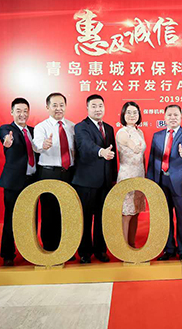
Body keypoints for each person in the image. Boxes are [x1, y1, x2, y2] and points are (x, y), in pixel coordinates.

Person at [72, 94, 117, 263]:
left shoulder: (109, 128)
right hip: (86, 181)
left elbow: (113, 156)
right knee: (85, 218)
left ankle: (100, 250)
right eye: (94, 106)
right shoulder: (81, 127)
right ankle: (84, 252)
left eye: (100, 106)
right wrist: (101, 152)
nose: (98, 109)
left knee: (102, 218)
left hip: (105, 181)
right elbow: (85, 145)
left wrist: (113, 178)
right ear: (87, 108)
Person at [147, 105, 182, 260]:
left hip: (179, 182)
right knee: (165, 217)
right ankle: (169, 249)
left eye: (176, 115)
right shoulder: (157, 136)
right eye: (169, 115)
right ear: (164, 117)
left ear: (181, 117)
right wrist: (150, 183)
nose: (173, 118)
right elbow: (152, 159)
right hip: (161, 180)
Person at [0, 98, 38, 266]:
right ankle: (8, 254)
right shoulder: (7, 129)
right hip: (14, 182)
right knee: (11, 218)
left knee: (32, 218)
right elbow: (5, 138)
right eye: (18, 111)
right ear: (12, 112)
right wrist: (7, 141)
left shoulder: (34, 131)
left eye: (25, 111)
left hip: (33, 181)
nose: (22, 114)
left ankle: (31, 251)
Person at [33, 92, 75, 253]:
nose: (59, 108)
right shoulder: (41, 127)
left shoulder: (72, 127)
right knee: (49, 212)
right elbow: (36, 145)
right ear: (47, 107)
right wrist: (44, 145)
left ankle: (66, 249)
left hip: (69, 173)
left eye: (61, 105)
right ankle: (50, 249)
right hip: (49, 173)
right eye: (55, 105)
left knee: (67, 211)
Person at [116, 101, 146, 248]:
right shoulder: (122, 132)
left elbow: (142, 156)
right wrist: (134, 147)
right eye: (128, 112)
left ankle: (132, 245)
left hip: (139, 174)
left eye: (135, 112)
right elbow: (128, 142)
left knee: (135, 212)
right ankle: (124, 248)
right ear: (123, 114)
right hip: (127, 175)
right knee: (127, 214)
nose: (132, 115)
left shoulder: (140, 132)